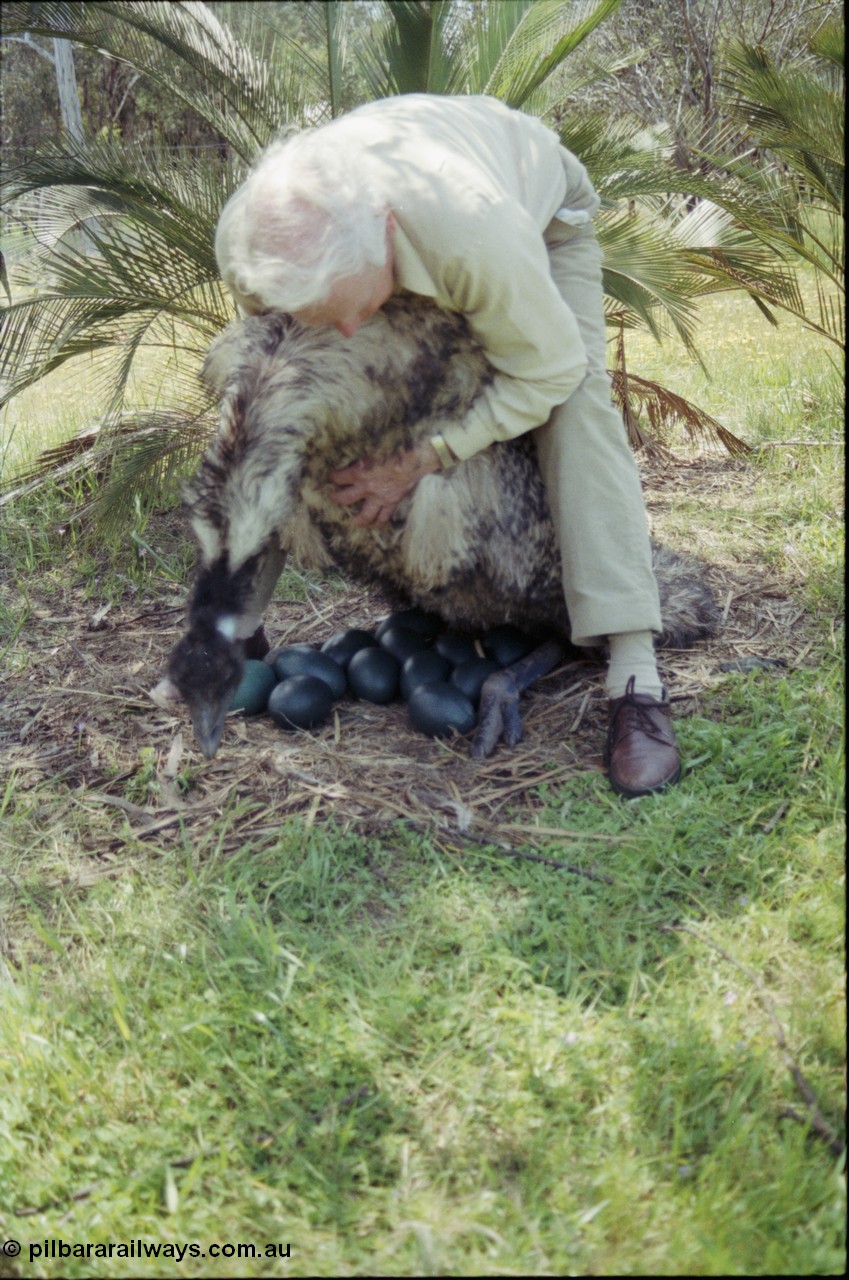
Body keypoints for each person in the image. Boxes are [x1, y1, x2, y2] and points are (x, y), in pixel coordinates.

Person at [213, 93, 680, 797]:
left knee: (577, 410)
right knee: (277, 394)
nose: (347, 331)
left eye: (358, 310)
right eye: (321, 313)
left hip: (539, 223)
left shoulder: (476, 237)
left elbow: (546, 370)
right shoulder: (255, 238)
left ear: (387, 234)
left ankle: (633, 673)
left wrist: (428, 455)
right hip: (382, 241)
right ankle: (236, 630)